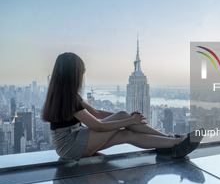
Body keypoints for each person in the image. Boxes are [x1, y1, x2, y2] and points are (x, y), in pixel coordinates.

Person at [42, 52, 202, 161]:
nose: (83, 74)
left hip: (74, 141)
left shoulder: (68, 95)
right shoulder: (68, 98)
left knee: (127, 134)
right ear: (72, 74)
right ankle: (176, 141)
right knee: (125, 119)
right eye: (81, 72)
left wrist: (128, 119)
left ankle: (170, 145)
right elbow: (98, 126)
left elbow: (96, 113)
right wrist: (130, 121)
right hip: (70, 146)